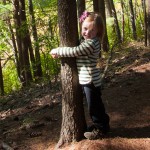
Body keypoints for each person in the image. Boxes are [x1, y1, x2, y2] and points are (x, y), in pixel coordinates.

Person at [50, 11, 110, 140]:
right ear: (81, 26)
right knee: (95, 105)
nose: (87, 33)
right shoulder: (86, 40)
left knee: (94, 106)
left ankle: (101, 129)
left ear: (98, 33)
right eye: (85, 28)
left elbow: (75, 51)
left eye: (92, 31)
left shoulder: (91, 43)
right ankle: (102, 124)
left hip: (91, 81)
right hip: (87, 80)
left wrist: (58, 51)